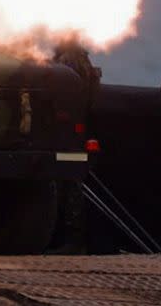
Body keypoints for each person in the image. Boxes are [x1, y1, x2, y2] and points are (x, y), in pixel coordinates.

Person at [51, 39, 102, 253]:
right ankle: (72, 239)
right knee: (72, 183)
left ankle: (70, 240)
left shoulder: (68, 62)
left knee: (68, 185)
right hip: (77, 132)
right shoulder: (84, 61)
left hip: (67, 135)